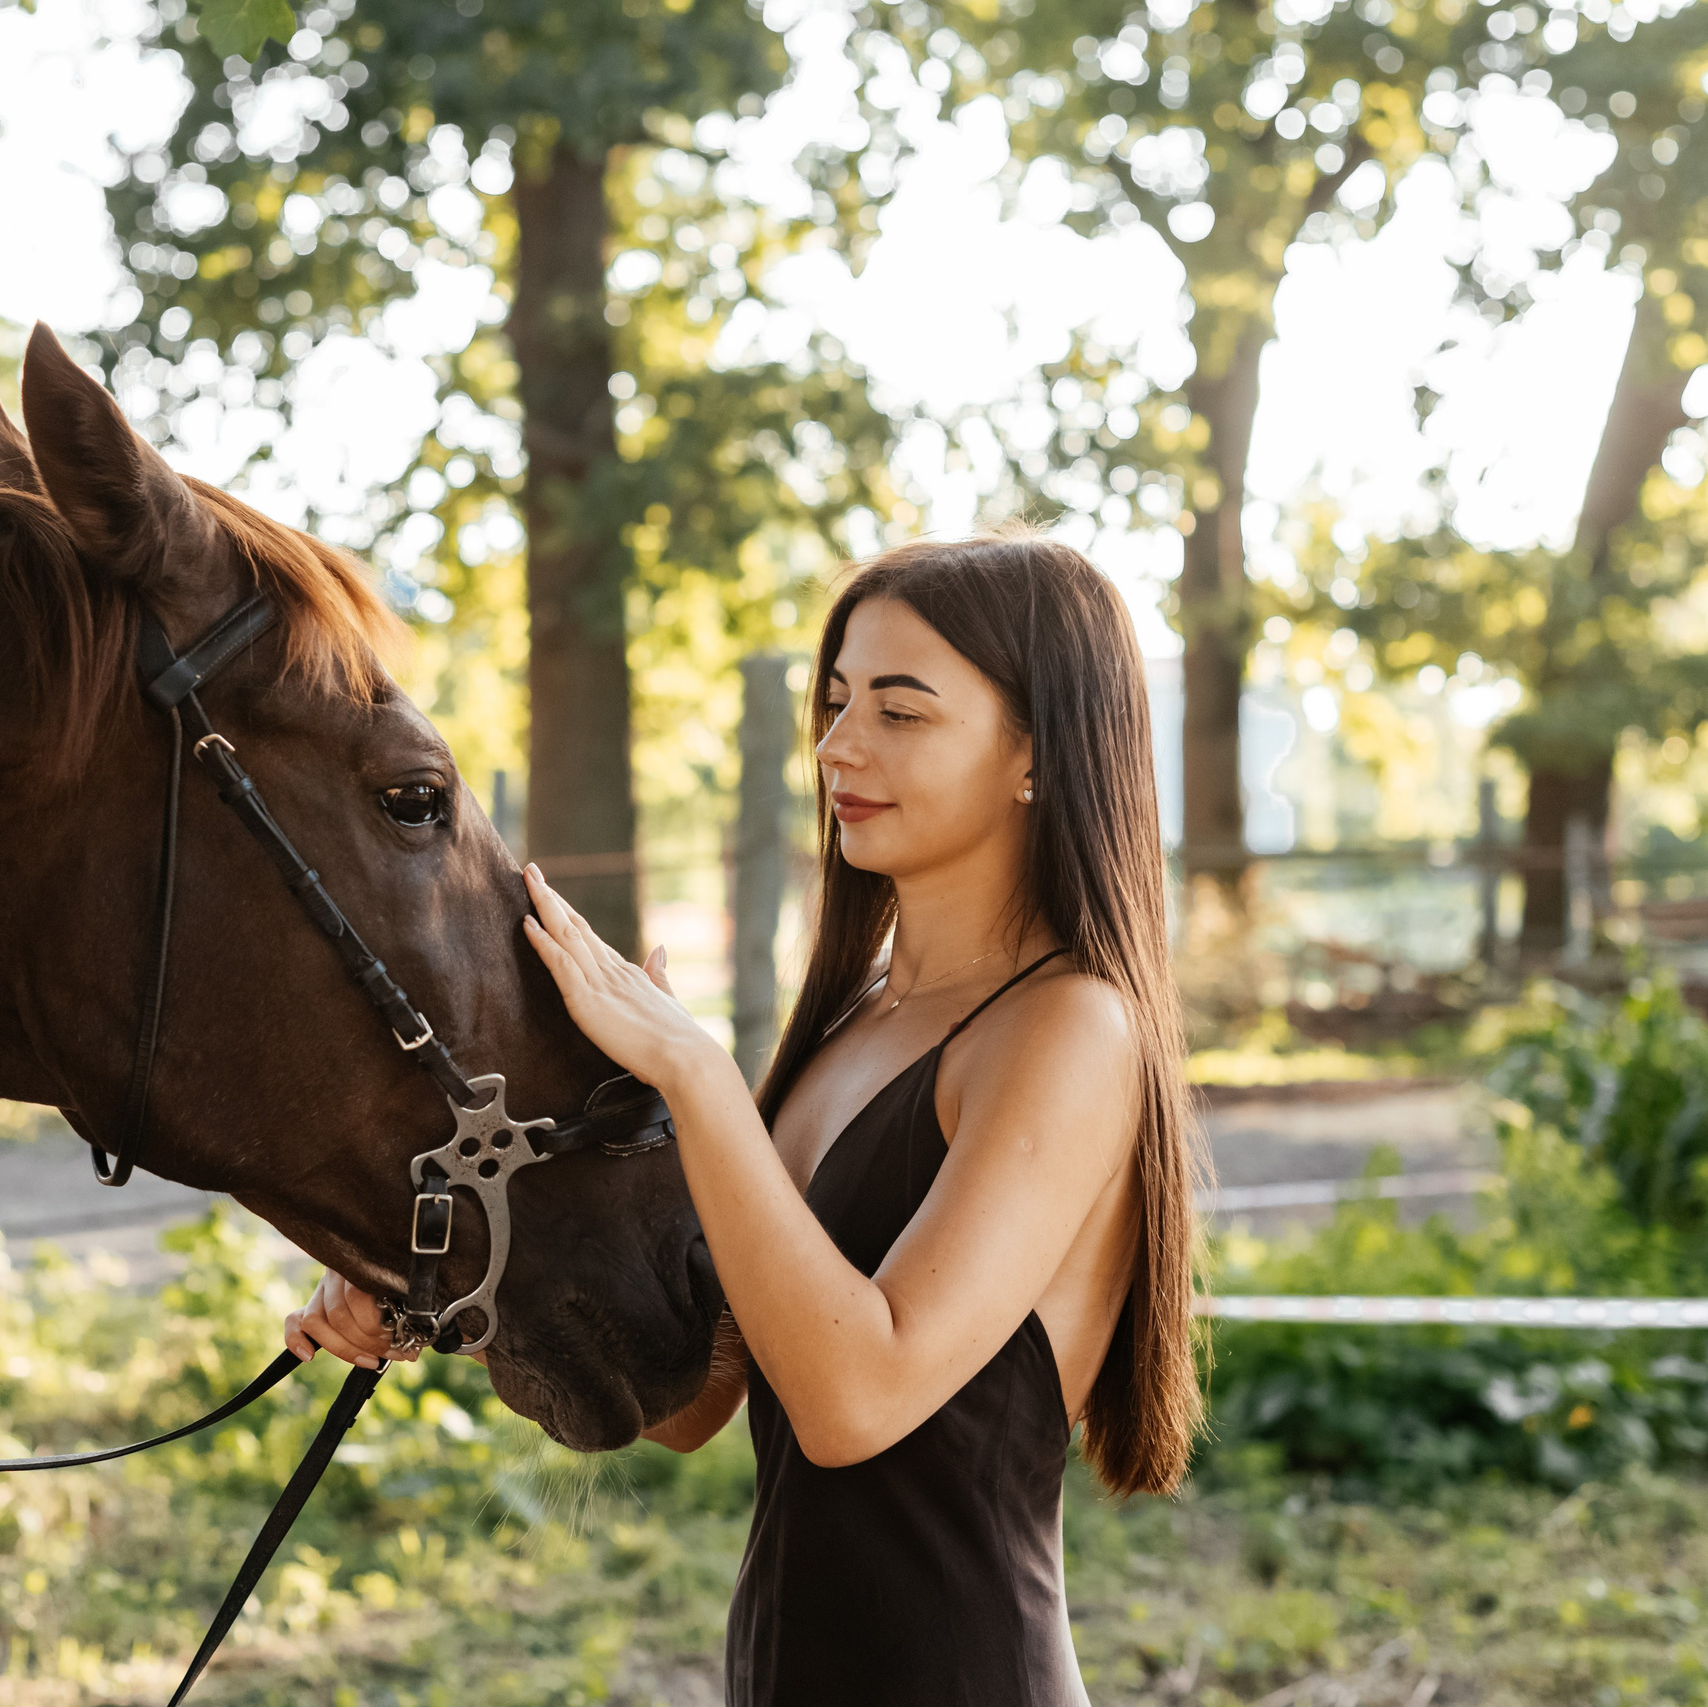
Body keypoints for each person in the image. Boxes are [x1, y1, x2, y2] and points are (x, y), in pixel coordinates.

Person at [286, 533, 1205, 1704]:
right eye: (833, 702)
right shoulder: (851, 1029)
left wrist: (697, 1077)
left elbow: (854, 1401)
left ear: (1035, 751)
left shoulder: (1070, 1030)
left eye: (901, 710)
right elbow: (693, 1400)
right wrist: (430, 1299)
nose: (838, 746)